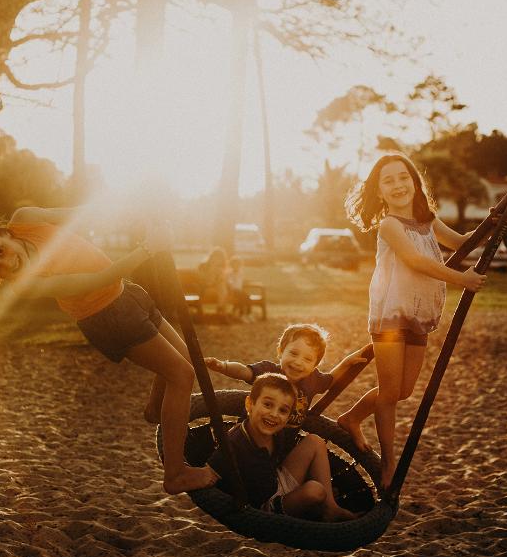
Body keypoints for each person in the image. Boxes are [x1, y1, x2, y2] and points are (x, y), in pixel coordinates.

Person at [0, 206, 217, 495]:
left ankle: (158, 409)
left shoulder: (25, 219)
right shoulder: (28, 285)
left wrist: (133, 209)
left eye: (0, 251)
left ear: (2, 233)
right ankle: (175, 474)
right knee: (182, 375)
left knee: (186, 362)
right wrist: (149, 248)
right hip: (109, 317)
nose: (7, 264)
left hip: (127, 292)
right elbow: (98, 280)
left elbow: (80, 213)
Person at [335, 152, 490, 490]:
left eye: (403, 177)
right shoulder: (390, 225)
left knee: (403, 390)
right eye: (388, 181)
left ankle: (351, 417)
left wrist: (491, 224)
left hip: (418, 314)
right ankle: (389, 462)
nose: (398, 185)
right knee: (390, 391)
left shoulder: (428, 220)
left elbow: (464, 243)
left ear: (414, 182)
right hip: (390, 314)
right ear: (379, 192)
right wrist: (460, 279)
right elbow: (415, 261)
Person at [208, 373, 357, 521]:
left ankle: (330, 508)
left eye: (283, 410)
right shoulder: (234, 442)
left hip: (275, 480)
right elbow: (209, 472)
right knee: (316, 491)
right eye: (267, 405)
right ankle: (315, 505)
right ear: (250, 404)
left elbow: (316, 386)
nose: (274, 414)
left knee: (315, 441)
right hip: (263, 507)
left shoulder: (277, 433)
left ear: (288, 417)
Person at [204, 323, 368, 454]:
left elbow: (330, 380)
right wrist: (223, 366)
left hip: (283, 449)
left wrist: (346, 362)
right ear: (281, 352)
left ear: (314, 366)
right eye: (293, 353)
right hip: (250, 441)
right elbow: (244, 372)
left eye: (307, 359)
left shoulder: (312, 380)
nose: (298, 362)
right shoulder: (269, 371)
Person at [197, 246, 230, 311]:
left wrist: (221, 276)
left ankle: (220, 308)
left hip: (217, 286)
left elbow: (222, 281)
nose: (217, 260)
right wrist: (212, 270)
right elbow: (203, 280)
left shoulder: (221, 268)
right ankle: (221, 309)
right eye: (215, 257)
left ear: (222, 260)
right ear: (211, 257)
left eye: (220, 258)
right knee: (222, 287)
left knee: (222, 287)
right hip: (204, 286)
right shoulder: (203, 265)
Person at [226, 255, 252, 319]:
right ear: (231, 265)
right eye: (234, 264)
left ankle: (248, 313)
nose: (236, 266)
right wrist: (231, 284)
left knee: (247, 297)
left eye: (238, 265)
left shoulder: (240, 273)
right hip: (233, 291)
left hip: (239, 290)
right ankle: (242, 313)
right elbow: (229, 282)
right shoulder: (230, 273)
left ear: (240, 265)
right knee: (242, 297)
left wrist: (246, 281)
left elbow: (242, 281)